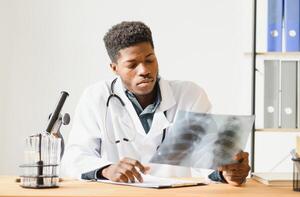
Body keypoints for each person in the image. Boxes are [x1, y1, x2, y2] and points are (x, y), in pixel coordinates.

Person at [61, 21, 250, 186]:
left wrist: (227, 172)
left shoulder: (189, 95)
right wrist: (107, 170)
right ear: (114, 68)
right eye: (132, 65)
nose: (144, 70)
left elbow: (206, 159)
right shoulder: (97, 97)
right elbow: (74, 158)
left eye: (149, 60)